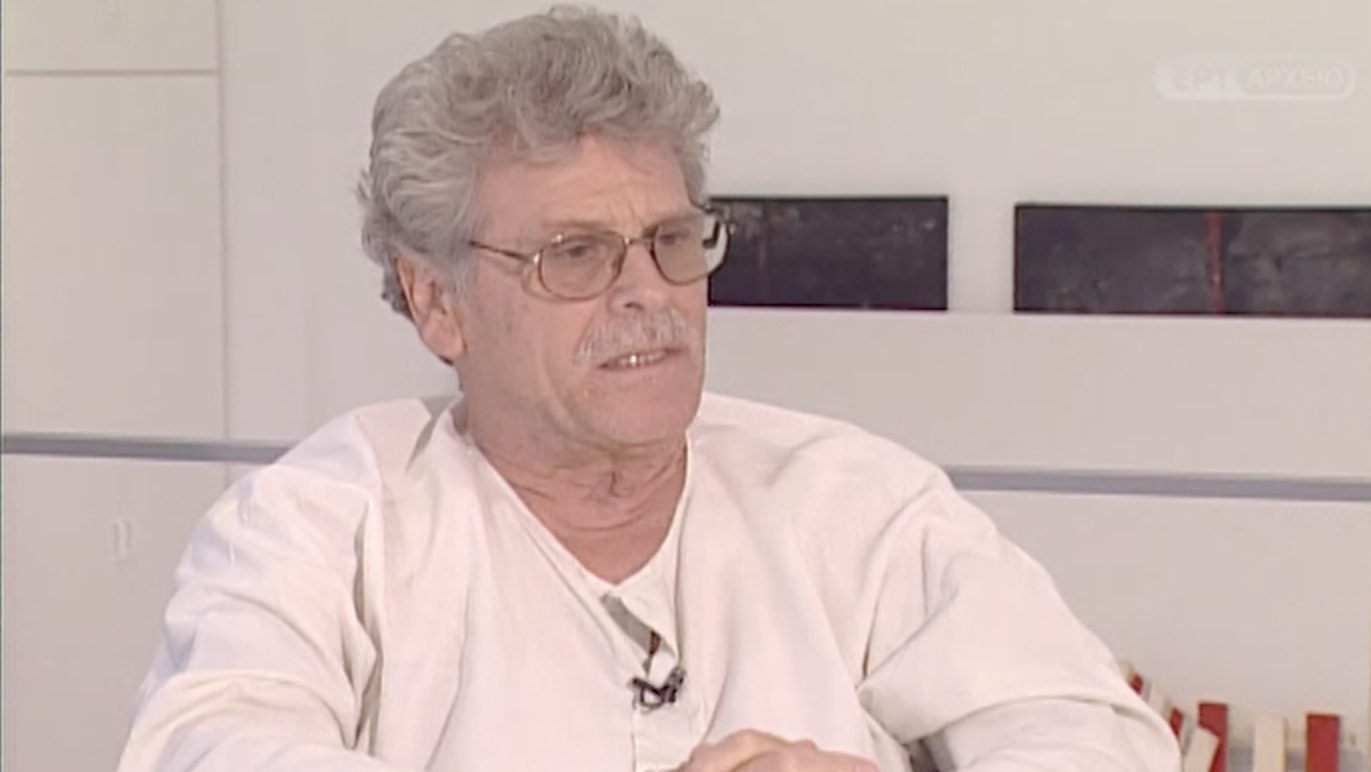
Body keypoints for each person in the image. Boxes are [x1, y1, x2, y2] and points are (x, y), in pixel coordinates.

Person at [118, 7, 1181, 771]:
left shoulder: (858, 504)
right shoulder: (320, 526)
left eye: (671, 240)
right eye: (575, 255)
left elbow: (1095, 738)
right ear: (437, 301)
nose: (648, 295)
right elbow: (214, 748)